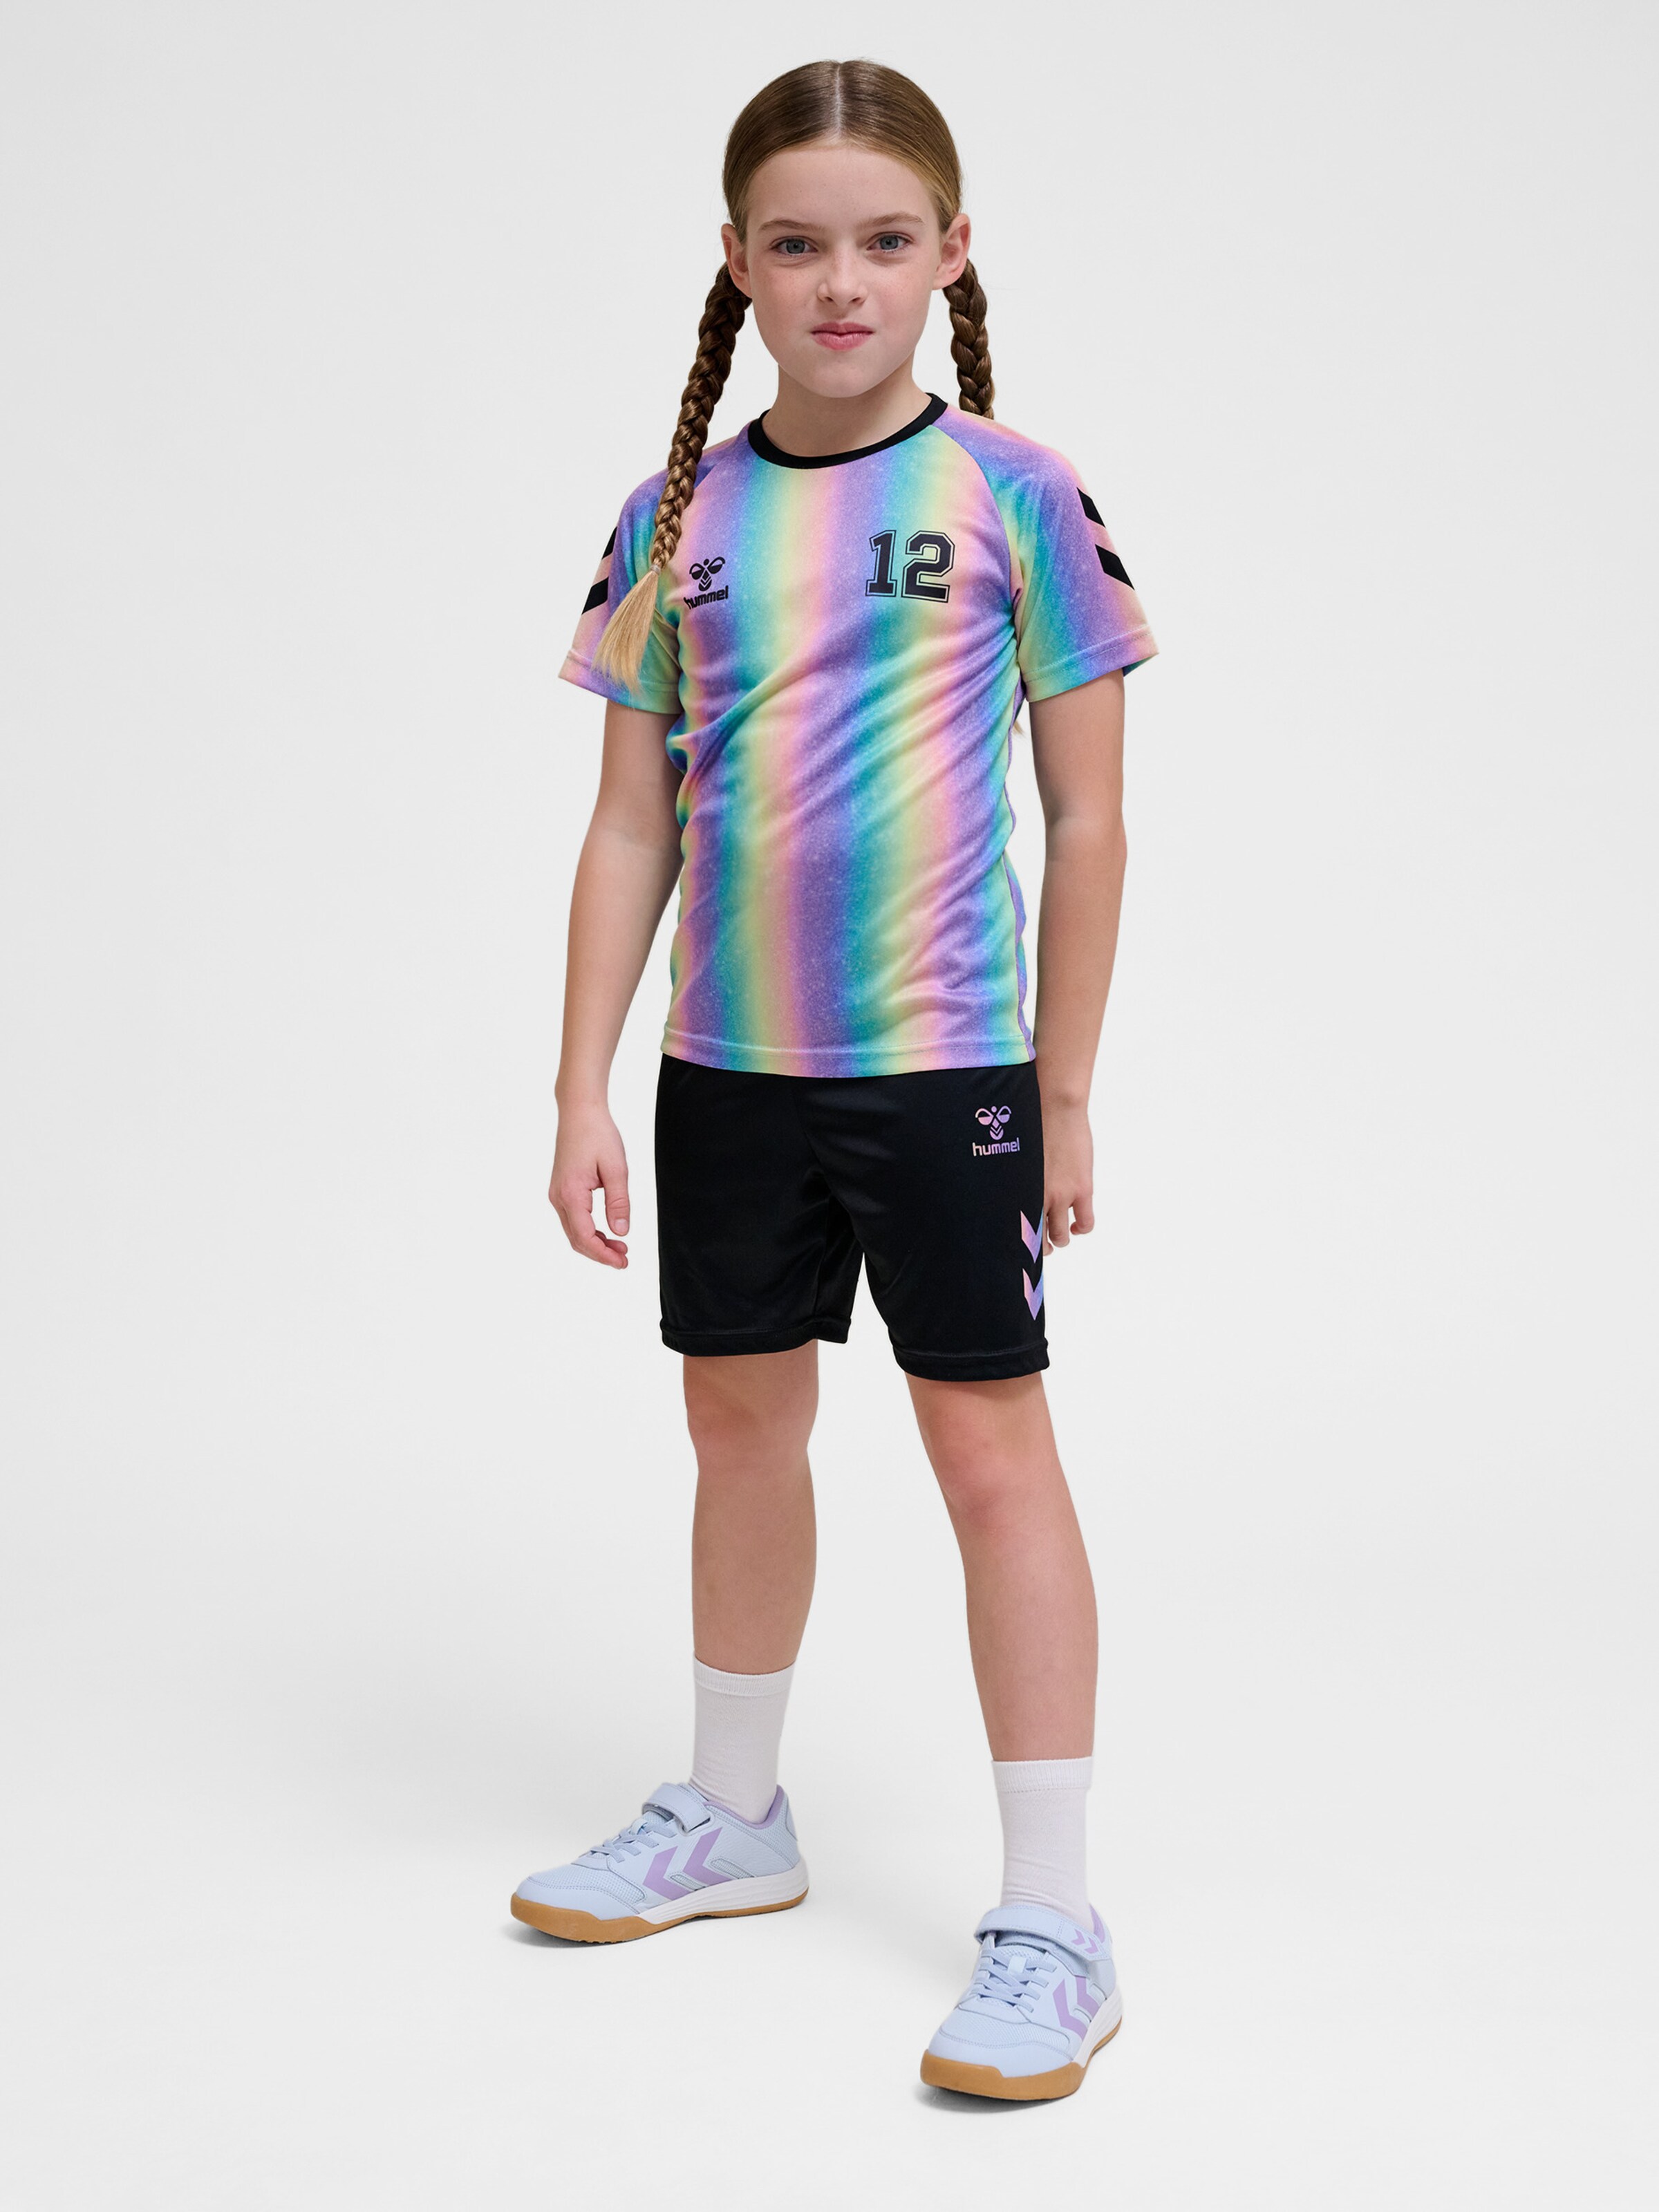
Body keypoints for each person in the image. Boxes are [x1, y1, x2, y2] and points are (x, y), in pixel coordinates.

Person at [510, 57, 1156, 2103]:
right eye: (798, 245)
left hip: (945, 1067)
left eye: (884, 241)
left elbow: (1091, 821)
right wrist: (581, 1086)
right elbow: (631, 823)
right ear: (738, 263)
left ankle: (1053, 1916)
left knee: (989, 1454)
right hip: (730, 1071)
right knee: (739, 1428)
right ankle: (733, 1817)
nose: (842, 282)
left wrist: (1064, 1092)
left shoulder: (1017, 495)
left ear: (951, 253)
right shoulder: (673, 516)